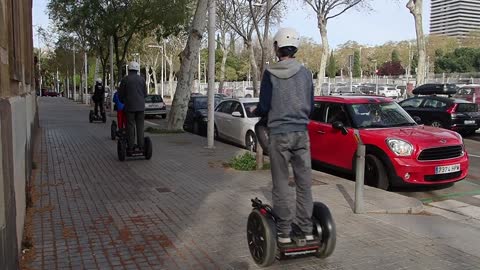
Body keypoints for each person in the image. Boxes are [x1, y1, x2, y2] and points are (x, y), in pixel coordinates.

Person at [254, 28, 315, 244]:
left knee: (281, 183)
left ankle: (284, 231)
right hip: (301, 134)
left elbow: (264, 106)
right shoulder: (306, 73)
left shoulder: (270, 74)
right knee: (304, 183)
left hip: (279, 134)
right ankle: (307, 229)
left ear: (277, 47)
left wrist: (258, 112)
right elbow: (312, 106)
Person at [118, 61, 147, 153]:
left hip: (129, 107)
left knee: (130, 126)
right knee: (140, 126)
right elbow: (145, 94)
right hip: (141, 107)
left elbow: (120, 94)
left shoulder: (125, 79)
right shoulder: (142, 79)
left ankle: (130, 147)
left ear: (129, 69)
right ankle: (141, 146)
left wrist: (123, 101)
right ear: (137, 69)